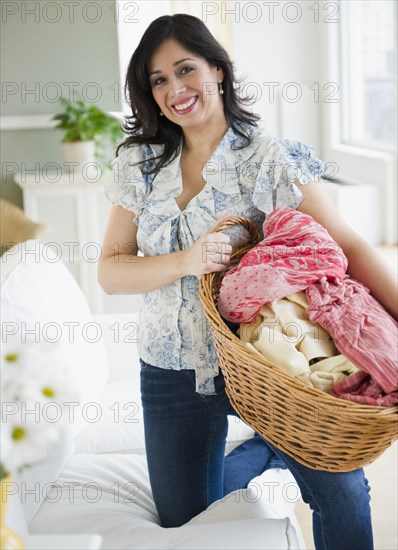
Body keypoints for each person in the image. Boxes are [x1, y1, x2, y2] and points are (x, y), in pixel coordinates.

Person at [98, 13, 397, 550]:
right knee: (187, 524)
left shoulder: (268, 158)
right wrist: (186, 261)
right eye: (158, 80)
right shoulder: (138, 165)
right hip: (172, 372)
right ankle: (263, 448)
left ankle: (277, 437)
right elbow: (111, 271)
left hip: (266, 364)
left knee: (342, 493)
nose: (174, 89)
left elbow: (347, 245)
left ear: (217, 69)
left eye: (185, 69)